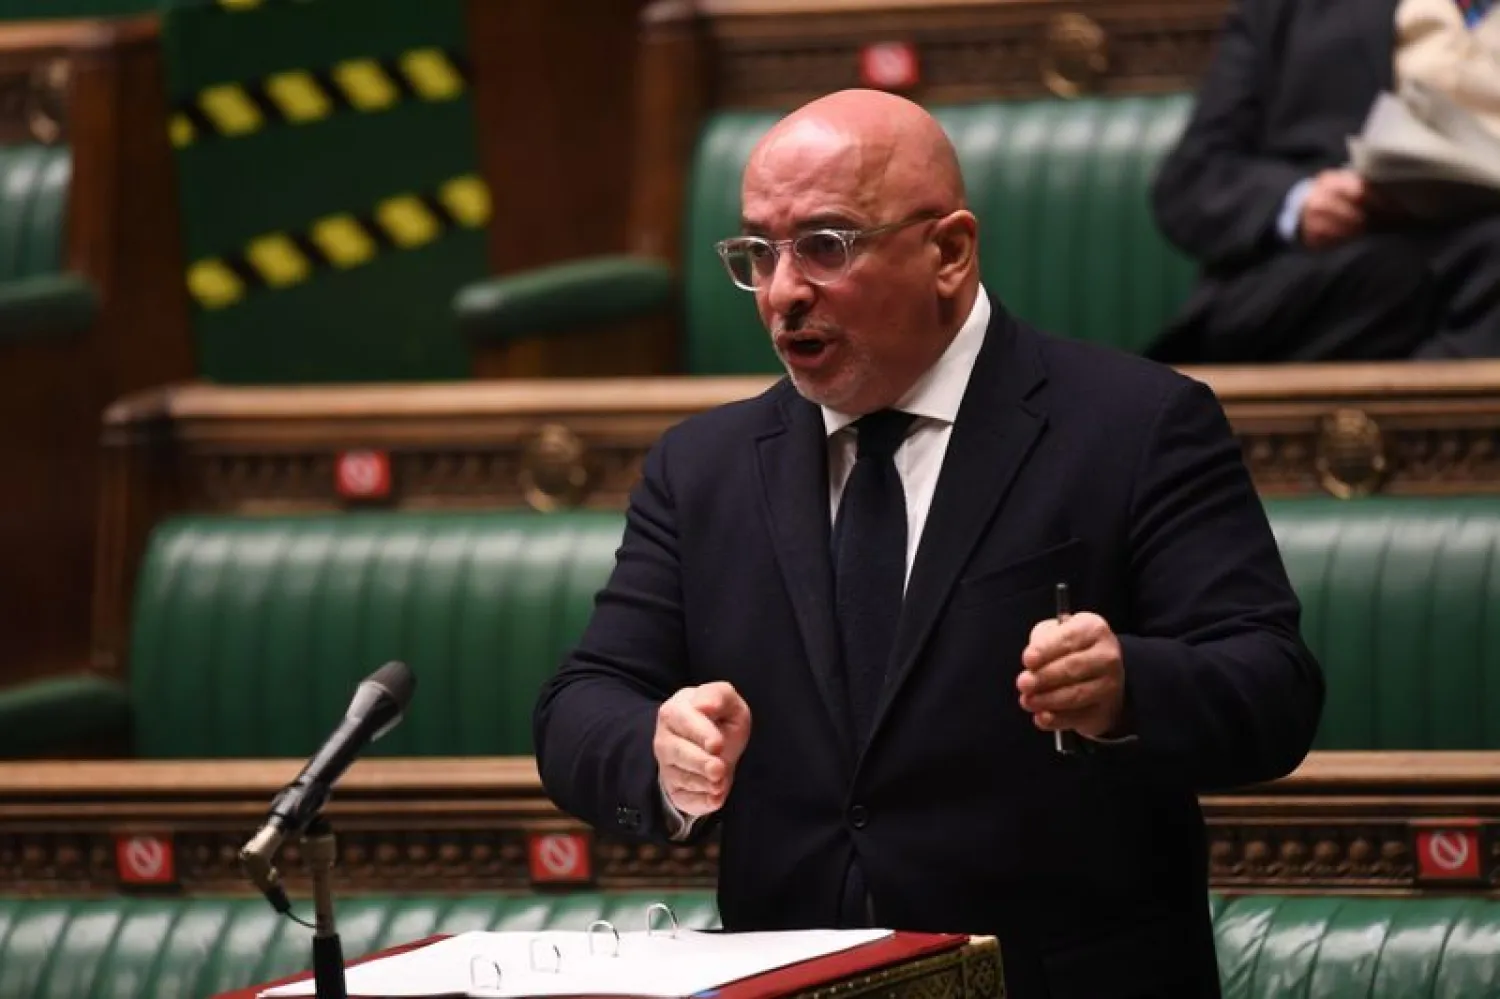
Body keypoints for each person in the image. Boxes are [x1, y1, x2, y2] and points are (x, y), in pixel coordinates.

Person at [533, 89, 1324, 999]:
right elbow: (577, 703)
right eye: (760, 252)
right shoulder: (701, 468)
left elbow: (1275, 689)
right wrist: (657, 749)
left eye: (825, 246)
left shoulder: (1136, 425)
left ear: (948, 251)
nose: (785, 291)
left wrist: (1128, 688)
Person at [1149, 0, 1500, 363]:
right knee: (1394, 268)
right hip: (1323, 281)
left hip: (1481, 266)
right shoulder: (1288, 10)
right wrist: (1300, 202)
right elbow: (1192, 179)